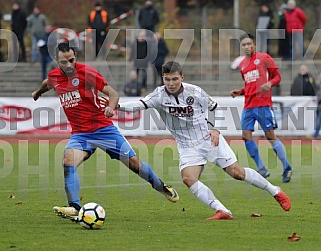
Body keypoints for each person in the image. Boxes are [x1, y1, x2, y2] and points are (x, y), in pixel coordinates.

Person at [118, 61, 291, 220]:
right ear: (163, 78)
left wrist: (216, 129)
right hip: (187, 146)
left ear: (182, 77)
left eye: (175, 79)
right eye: (167, 79)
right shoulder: (159, 95)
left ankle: (275, 191)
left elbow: (218, 109)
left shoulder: (195, 91)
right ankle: (222, 210)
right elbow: (139, 104)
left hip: (208, 138)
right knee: (188, 178)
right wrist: (117, 106)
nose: (171, 83)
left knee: (237, 173)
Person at [31, 41, 179, 219]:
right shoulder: (55, 76)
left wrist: (110, 107)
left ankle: (160, 186)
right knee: (68, 162)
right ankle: (75, 207)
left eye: (71, 60)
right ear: (56, 61)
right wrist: (38, 93)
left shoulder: (87, 73)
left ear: (75, 57)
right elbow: (48, 82)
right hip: (80, 134)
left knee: (135, 164)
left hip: (103, 129)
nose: (69, 65)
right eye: (64, 62)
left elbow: (113, 93)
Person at [230, 33, 293, 183]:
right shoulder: (242, 65)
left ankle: (287, 167)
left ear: (254, 44)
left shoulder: (264, 57)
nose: (246, 47)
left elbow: (277, 77)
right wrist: (241, 91)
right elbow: (249, 85)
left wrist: (270, 83)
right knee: (246, 136)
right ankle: (262, 168)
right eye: (243, 45)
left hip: (263, 104)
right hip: (248, 106)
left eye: (248, 44)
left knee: (270, 137)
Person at [129, 29, 156, 93]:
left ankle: (144, 87)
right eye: (141, 36)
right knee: (135, 74)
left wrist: (149, 59)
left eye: (143, 36)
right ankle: (135, 86)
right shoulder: (134, 43)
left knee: (144, 75)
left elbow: (149, 52)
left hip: (144, 62)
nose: (142, 37)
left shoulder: (146, 43)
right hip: (136, 61)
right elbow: (132, 52)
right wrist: (130, 59)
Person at [313, 73, 321, 139]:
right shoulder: (318, 86)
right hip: (319, 106)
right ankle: (315, 134)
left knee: (318, 121)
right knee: (318, 121)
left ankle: (315, 134)